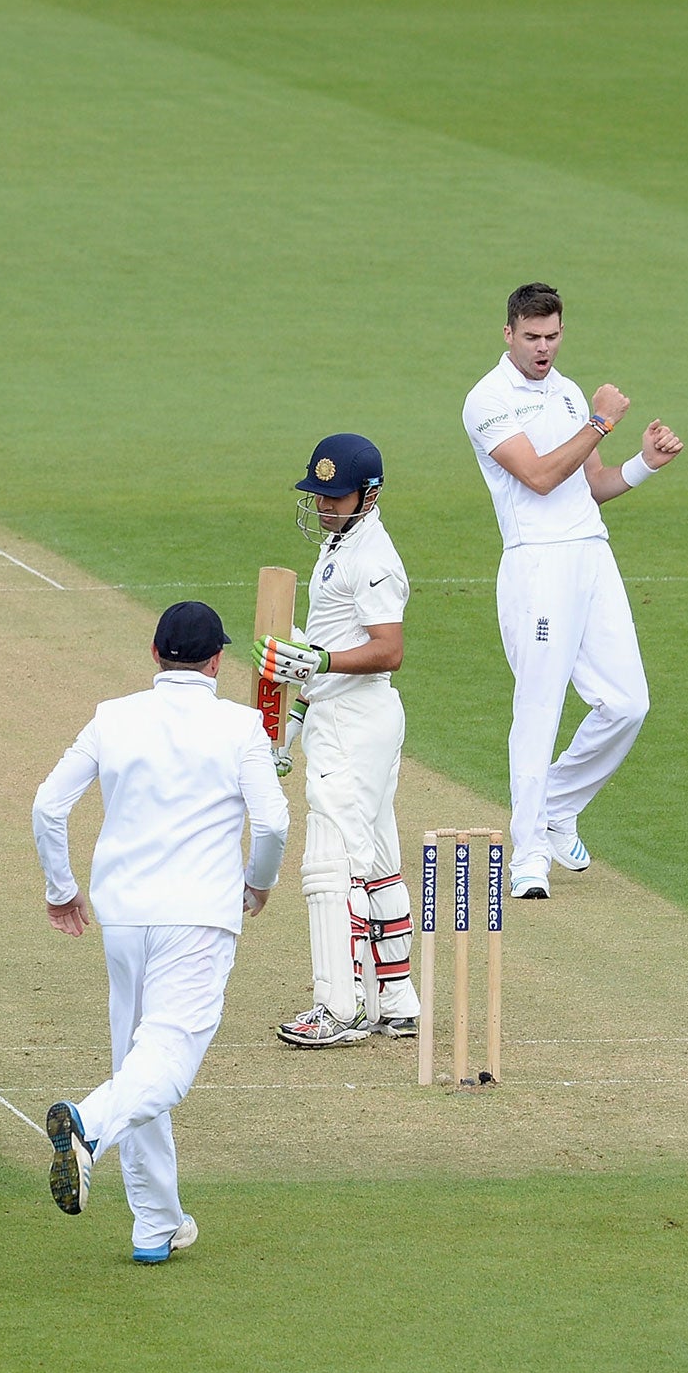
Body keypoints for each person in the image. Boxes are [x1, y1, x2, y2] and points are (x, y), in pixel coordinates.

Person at [33, 601, 288, 1262]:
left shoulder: (113, 717)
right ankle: (88, 1124)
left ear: (154, 654)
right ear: (216, 661)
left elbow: (48, 806)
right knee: (166, 1069)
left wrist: (62, 890)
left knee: (138, 1062)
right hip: (198, 916)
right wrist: (258, 884)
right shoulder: (241, 726)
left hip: (124, 916)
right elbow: (275, 826)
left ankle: (156, 1224)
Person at [460, 282, 684, 899]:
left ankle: (553, 807)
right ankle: (527, 855)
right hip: (537, 564)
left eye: (552, 336)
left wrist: (642, 464)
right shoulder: (487, 400)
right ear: (508, 334)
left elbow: (591, 484)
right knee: (539, 706)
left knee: (628, 704)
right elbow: (537, 477)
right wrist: (600, 422)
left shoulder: (566, 391)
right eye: (531, 337)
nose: (543, 348)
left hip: (591, 554)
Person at [258, 434, 420, 1048]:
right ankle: (397, 1000)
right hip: (343, 716)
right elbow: (325, 650)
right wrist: (292, 724)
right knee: (375, 856)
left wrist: (316, 661)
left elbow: (389, 649)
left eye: (336, 496)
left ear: (368, 495)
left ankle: (339, 1008)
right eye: (318, 495)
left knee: (331, 862)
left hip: (357, 719)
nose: (324, 505)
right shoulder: (340, 540)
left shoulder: (371, 557)